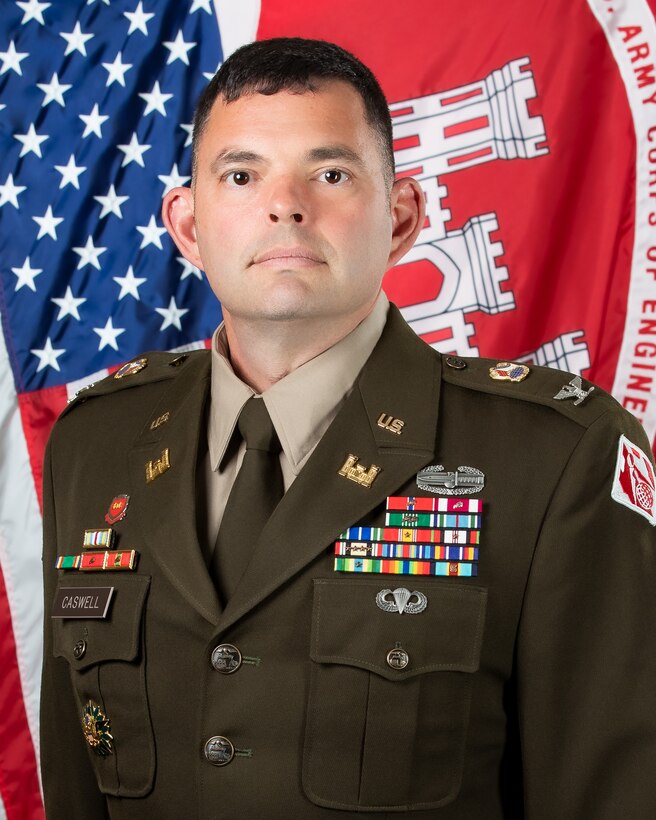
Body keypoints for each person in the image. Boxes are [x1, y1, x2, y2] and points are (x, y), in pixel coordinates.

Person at [40, 37, 656, 819]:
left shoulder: (556, 456)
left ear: (400, 220)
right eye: (242, 175)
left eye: (331, 173)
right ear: (189, 228)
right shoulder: (94, 444)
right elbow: (72, 786)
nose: (286, 204)